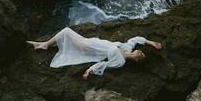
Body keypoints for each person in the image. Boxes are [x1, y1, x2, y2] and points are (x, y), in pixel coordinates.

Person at [26, 27, 162, 80]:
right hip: (93, 42)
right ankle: (44, 44)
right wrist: (152, 43)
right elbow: (137, 39)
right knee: (66, 39)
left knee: (66, 31)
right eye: (142, 51)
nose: (141, 52)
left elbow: (103, 64)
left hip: (89, 47)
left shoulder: (120, 62)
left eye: (141, 55)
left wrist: (89, 71)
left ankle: (45, 45)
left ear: (137, 59)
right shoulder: (128, 47)